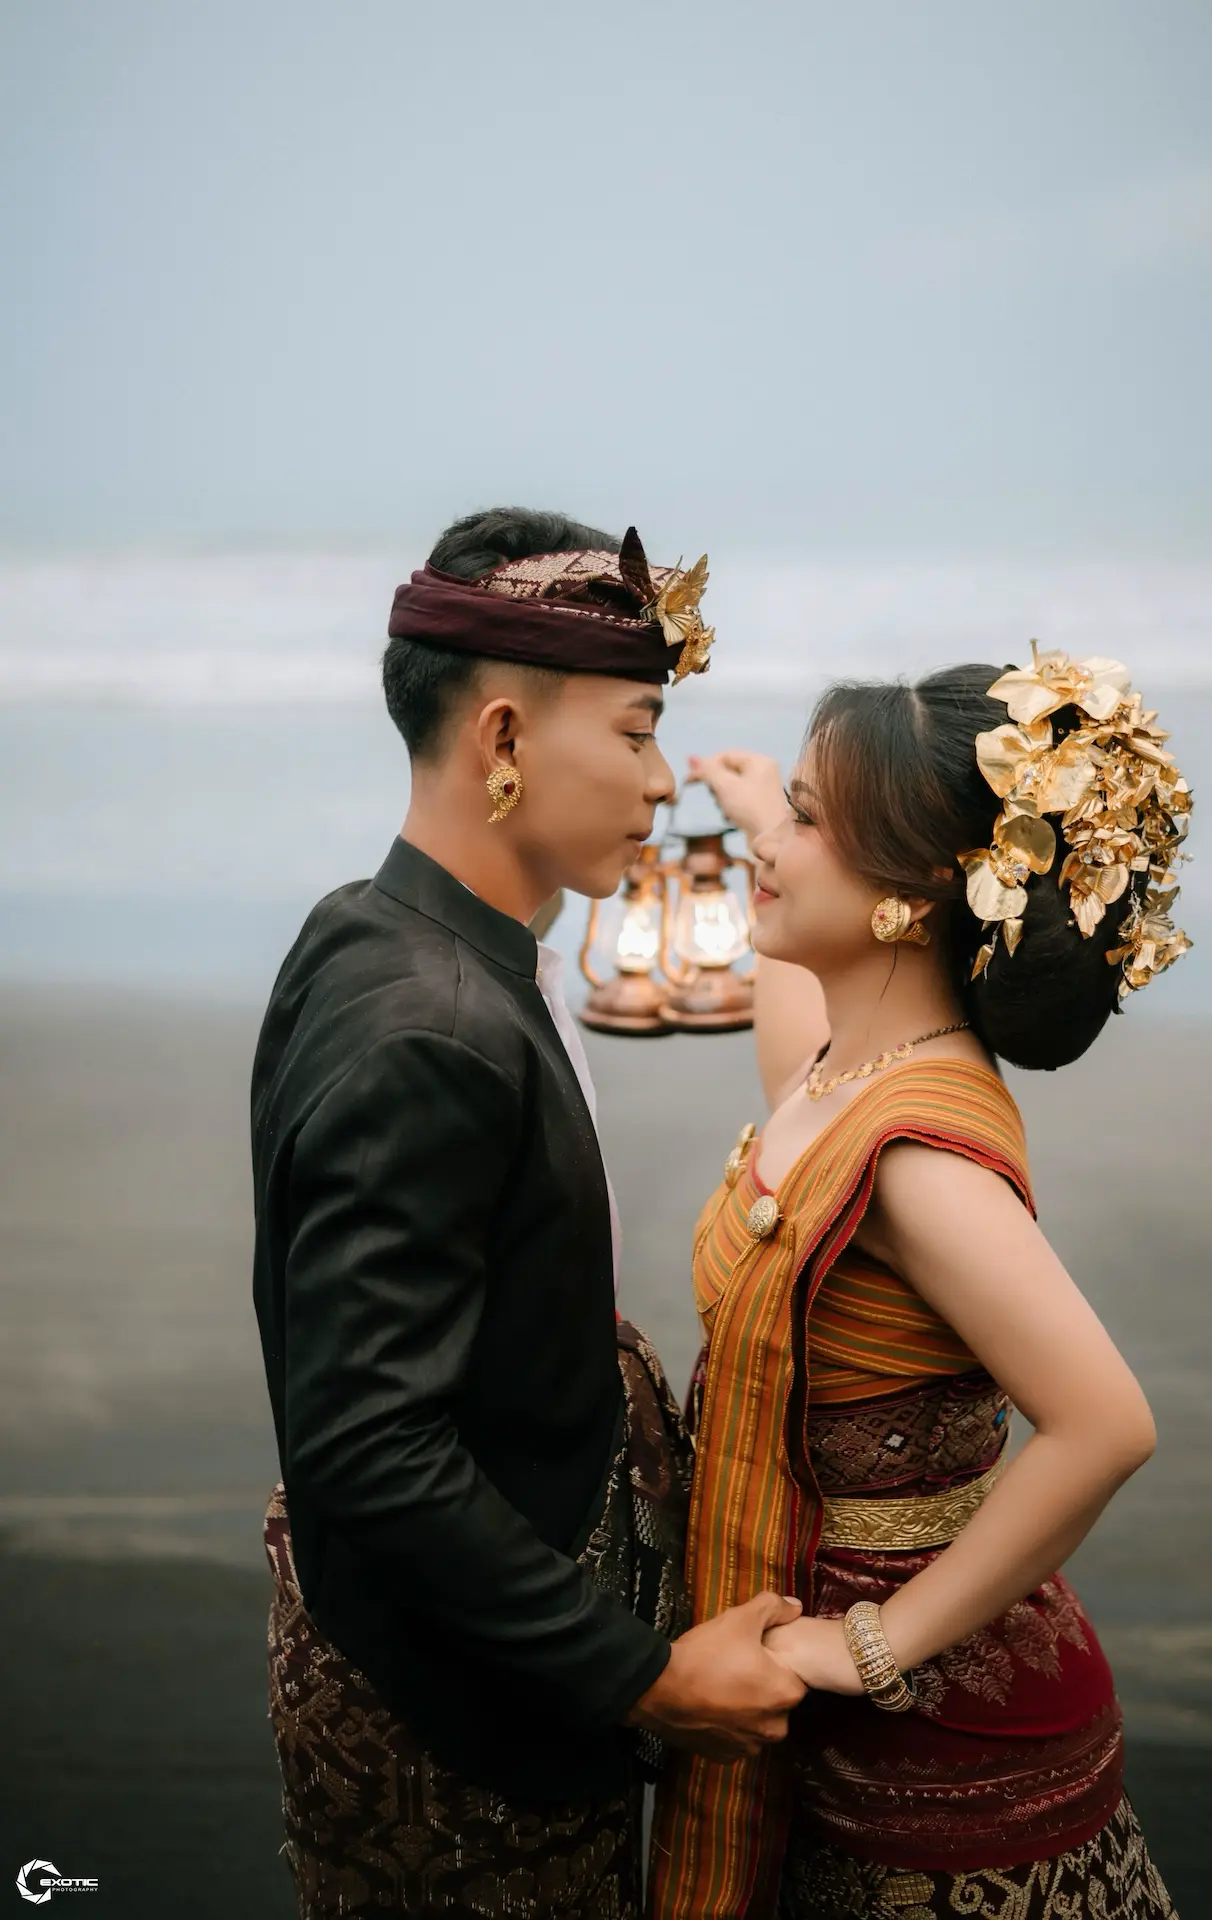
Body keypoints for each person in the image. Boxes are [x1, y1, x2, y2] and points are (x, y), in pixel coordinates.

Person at [250, 508, 805, 1919]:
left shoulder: (381, 929)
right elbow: (369, 1446)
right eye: (634, 733)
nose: (661, 777)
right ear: (501, 737)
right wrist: (645, 1677)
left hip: (455, 1639)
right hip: (462, 1716)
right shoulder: (432, 1030)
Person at [650, 650, 1190, 1917]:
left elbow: (1105, 1424)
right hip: (821, 1686)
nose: (769, 846)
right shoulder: (841, 1074)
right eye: (787, 808)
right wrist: (760, 814)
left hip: (937, 1752)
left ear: (909, 894)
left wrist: (869, 1646)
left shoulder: (915, 1160)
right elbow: (794, 1044)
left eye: (806, 821)